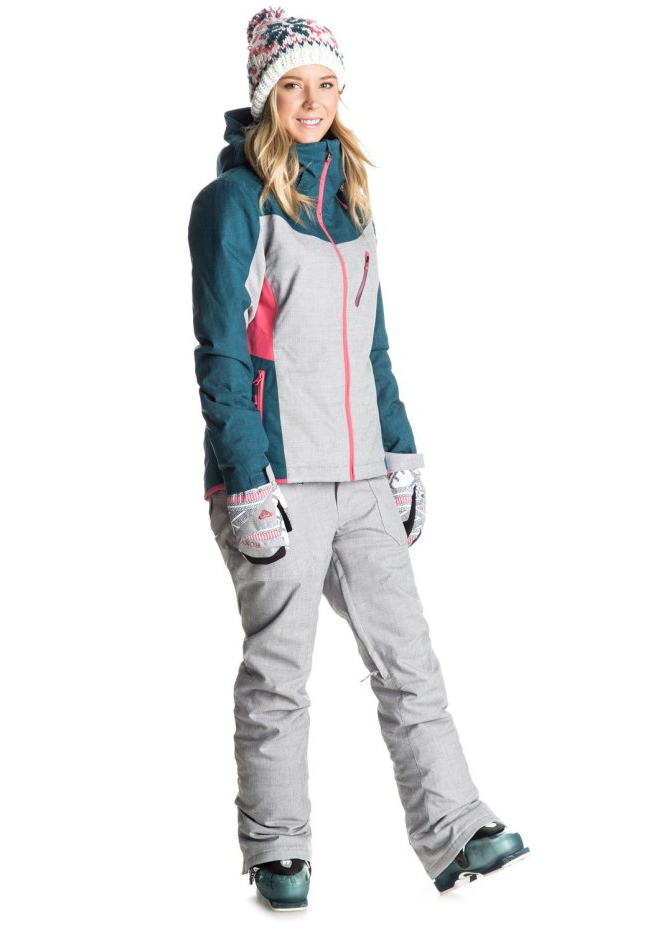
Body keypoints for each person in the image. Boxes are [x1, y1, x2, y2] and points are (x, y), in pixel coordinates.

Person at [188, 6, 530, 911]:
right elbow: (221, 353)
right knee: (279, 672)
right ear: (264, 94)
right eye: (292, 86)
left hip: (362, 474)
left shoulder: (351, 202)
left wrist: (400, 451)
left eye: (326, 85)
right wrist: (246, 479)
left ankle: (457, 827)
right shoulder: (232, 204)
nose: (311, 102)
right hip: (276, 479)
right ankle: (278, 851)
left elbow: (371, 345)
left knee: (408, 658)